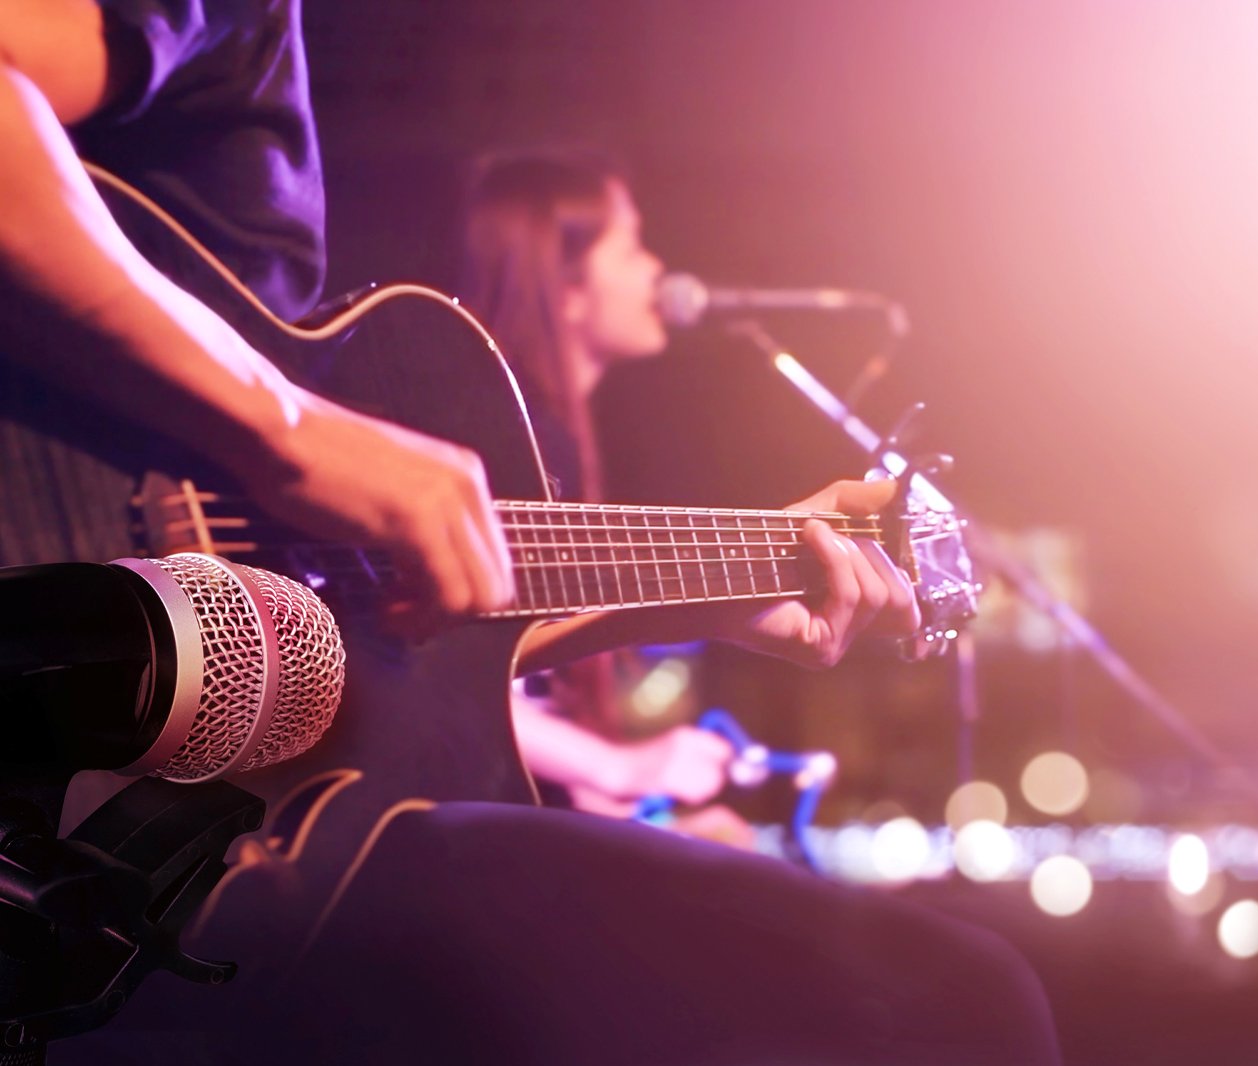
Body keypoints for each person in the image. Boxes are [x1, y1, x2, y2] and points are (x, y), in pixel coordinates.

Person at [0, 4, 1061, 1062]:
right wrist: (294, 434)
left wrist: (718, 588)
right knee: (951, 999)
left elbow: (393, 641)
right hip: (107, 792)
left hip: (142, 847)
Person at [461, 149, 751, 839]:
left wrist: (619, 810)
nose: (658, 269)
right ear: (565, 289)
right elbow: (452, 679)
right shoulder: (509, 439)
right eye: (631, 247)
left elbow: (520, 695)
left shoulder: (543, 434)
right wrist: (620, 769)